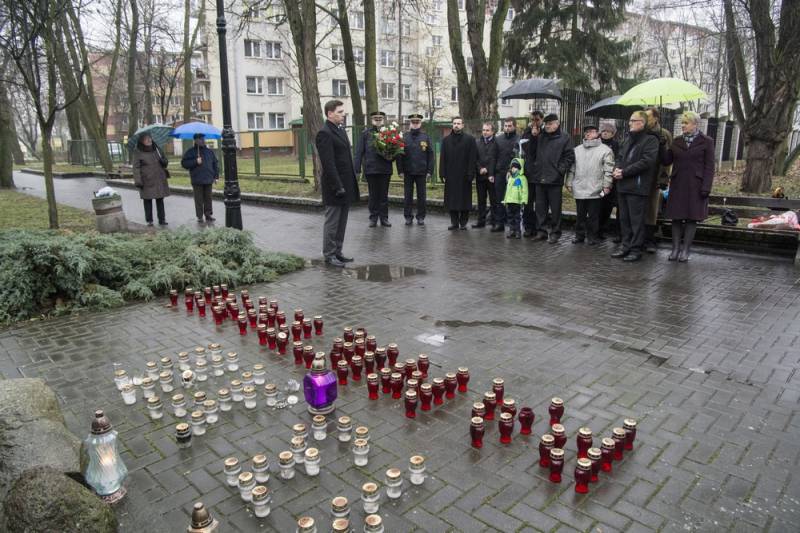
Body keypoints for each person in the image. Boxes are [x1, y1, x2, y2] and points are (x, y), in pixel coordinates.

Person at [662, 111, 715, 262]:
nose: (683, 125)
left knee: (692, 219)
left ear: (695, 124)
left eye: (686, 123)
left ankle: (685, 250)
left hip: (696, 185)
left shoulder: (707, 141)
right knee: (676, 218)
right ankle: (675, 249)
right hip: (678, 184)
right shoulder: (677, 141)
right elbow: (666, 161)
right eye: (682, 123)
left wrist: (706, 187)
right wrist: (662, 146)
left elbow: (709, 167)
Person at [611, 110, 660, 262]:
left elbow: (646, 162)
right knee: (624, 219)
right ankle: (625, 246)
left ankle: (635, 249)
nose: (630, 123)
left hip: (637, 187)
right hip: (623, 185)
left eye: (633, 120)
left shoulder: (651, 140)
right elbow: (620, 157)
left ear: (642, 123)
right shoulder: (627, 139)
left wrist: (624, 172)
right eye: (630, 120)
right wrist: (617, 169)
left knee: (636, 221)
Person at [315, 100, 360, 267]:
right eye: (340, 112)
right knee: (332, 222)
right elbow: (328, 163)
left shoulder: (339, 130)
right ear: (329, 114)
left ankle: (338, 252)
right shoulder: (324, 133)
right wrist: (338, 186)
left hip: (345, 184)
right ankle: (329, 254)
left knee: (342, 222)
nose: (343, 114)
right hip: (334, 186)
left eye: (343, 111)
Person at [565, 124, 614, 245]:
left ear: (597, 133)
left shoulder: (606, 150)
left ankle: (592, 236)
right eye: (586, 131)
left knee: (594, 215)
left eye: (591, 131)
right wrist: (569, 182)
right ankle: (579, 235)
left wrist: (607, 185)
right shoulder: (577, 150)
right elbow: (572, 168)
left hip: (596, 188)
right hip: (580, 187)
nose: (588, 133)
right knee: (580, 215)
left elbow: (609, 170)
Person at [530, 114, 575, 243]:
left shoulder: (565, 137)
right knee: (540, 208)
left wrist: (559, 171)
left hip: (555, 179)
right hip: (540, 177)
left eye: (550, 124)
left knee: (555, 209)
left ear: (557, 124)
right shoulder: (540, 136)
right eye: (546, 124)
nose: (547, 126)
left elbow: (569, 156)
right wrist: (533, 137)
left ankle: (555, 232)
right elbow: (531, 152)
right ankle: (541, 231)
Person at [355, 111, 393, 227]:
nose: (378, 120)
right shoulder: (366, 134)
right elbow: (359, 152)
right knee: (373, 195)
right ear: (371, 120)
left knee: (384, 195)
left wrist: (392, 157)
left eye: (380, 118)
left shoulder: (389, 133)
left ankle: (384, 218)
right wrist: (357, 169)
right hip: (371, 169)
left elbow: (395, 151)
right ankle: (373, 218)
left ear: (383, 120)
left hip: (385, 169)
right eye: (375, 118)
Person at [643, 107, 673, 253]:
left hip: (655, 177)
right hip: (640, 175)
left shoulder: (664, 134)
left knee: (651, 209)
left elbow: (667, 160)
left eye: (648, 117)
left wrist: (663, 178)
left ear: (656, 118)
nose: (646, 120)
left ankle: (650, 239)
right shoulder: (641, 132)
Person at [439, 116, 477, 230]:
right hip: (450, 175)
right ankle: (454, 222)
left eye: (458, 123)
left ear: (463, 125)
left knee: (464, 199)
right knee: (451, 199)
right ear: (452, 125)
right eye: (454, 123)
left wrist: (471, 173)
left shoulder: (470, 140)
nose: (456, 125)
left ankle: (463, 223)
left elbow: (472, 158)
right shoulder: (446, 140)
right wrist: (442, 173)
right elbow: (443, 158)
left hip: (465, 175)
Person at [397, 113, 434, 225]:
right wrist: (400, 170)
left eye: (417, 122)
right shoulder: (404, 137)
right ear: (410, 123)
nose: (415, 124)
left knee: (421, 196)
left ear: (420, 123)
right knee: (407, 196)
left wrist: (429, 171)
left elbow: (430, 155)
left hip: (421, 171)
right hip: (407, 172)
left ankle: (421, 217)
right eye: (413, 122)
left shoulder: (425, 137)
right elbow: (399, 155)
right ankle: (408, 217)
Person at [132, 133, 169, 226]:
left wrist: (163, 161)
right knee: (147, 200)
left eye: (150, 138)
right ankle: (149, 220)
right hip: (146, 180)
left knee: (160, 199)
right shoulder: (138, 152)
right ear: (141, 141)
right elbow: (136, 168)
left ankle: (162, 219)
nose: (149, 140)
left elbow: (165, 161)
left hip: (159, 178)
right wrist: (138, 180)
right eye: (146, 139)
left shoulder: (157, 149)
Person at [180, 133, 219, 223]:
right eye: (201, 139)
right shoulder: (190, 152)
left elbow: (215, 164)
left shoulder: (209, 151)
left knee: (208, 198)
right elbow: (184, 163)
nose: (203, 140)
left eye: (203, 139)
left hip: (208, 179)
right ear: (196, 140)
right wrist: (195, 161)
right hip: (197, 179)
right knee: (199, 199)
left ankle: (208, 214)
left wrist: (216, 176)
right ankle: (200, 216)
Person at [492, 117, 519, 233]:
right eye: (506, 126)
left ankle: (514, 226)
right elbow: (493, 156)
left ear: (514, 126)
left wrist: (513, 170)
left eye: (510, 126)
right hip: (499, 173)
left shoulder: (519, 140)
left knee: (513, 201)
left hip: (514, 175)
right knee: (499, 200)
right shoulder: (498, 139)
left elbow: (520, 158)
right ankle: (499, 223)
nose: (507, 128)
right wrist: (492, 172)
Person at [520, 110, 544, 236]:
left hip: (541, 174)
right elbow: (526, 149)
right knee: (528, 203)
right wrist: (532, 136)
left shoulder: (545, 132)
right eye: (532, 120)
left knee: (540, 204)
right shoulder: (526, 132)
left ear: (542, 120)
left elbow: (542, 150)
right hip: (529, 173)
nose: (534, 122)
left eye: (537, 120)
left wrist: (537, 136)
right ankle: (528, 227)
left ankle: (539, 228)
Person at [598, 123, 621, 242]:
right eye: (603, 131)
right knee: (598, 205)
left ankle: (603, 229)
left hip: (611, 182)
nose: (605, 133)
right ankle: (595, 229)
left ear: (613, 133)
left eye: (608, 131)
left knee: (607, 206)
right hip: (597, 181)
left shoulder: (616, 145)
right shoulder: (597, 143)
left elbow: (618, 160)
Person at [473, 122, 498, 228]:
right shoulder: (477, 142)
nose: (485, 132)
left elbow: (496, 159)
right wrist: (480, 169)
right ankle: (481, 221)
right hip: (480, 176)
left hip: (492, 176)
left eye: (487, 130)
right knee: (481, 200)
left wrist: (488, 169)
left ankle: (494, 222)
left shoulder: (497, 142)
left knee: (494, 200)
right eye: (483, 130)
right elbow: (475, 158)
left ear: (492, 131)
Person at [502, 157, 528, 238]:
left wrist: (524, 200)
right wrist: (505, 200)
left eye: (515, 167)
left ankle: (517, 231)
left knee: (517, 217)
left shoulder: (522, 178)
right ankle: (511, 230)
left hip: (517, 201)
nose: (513, 169)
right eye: (512, 167)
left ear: (519, 168)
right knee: (510, 217)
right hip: (510, 201)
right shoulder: (510, 178)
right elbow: (507, 190)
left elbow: (525, 190)